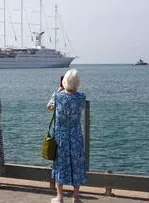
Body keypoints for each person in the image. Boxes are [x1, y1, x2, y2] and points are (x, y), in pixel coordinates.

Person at [47, 69, 87, 203]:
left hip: (61, 136)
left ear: (64, 82)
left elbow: (49, 107)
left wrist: (59, 91)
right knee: (77, 164)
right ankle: (76, 197)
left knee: (60, 164)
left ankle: (60, 197)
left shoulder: (57, 96)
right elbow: (80, 107)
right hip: (75, 135)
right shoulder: (81, 96)